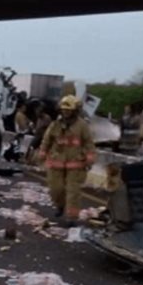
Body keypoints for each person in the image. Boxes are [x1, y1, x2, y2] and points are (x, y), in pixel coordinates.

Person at [38, 95, 97, 226]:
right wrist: (42, 153)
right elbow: (47, 140)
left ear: (75, 111)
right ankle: (60, 205)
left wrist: (90, 159)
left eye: (68, 110)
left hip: (76, 164)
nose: (65, 112)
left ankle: (71, 217)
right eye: (63, 109)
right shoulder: (55, 125)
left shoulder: (82, 126)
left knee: (73, 192)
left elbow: (89, 143)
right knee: (56, 190)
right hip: (56, 163)